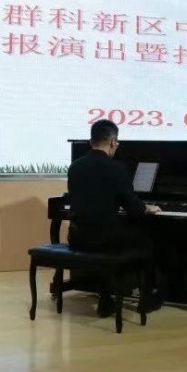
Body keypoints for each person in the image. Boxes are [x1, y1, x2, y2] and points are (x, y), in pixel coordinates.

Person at [67, 119, 164, 316]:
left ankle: (105, 297)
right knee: (148, 240)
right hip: (104, 240)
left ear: (91, 141)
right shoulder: (116, 169)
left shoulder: (75, 167)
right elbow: (134, 209)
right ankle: (148, 297)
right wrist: (147, 208)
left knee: (109, 235)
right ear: (112, 142)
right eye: (117, 143)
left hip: (77, 238)